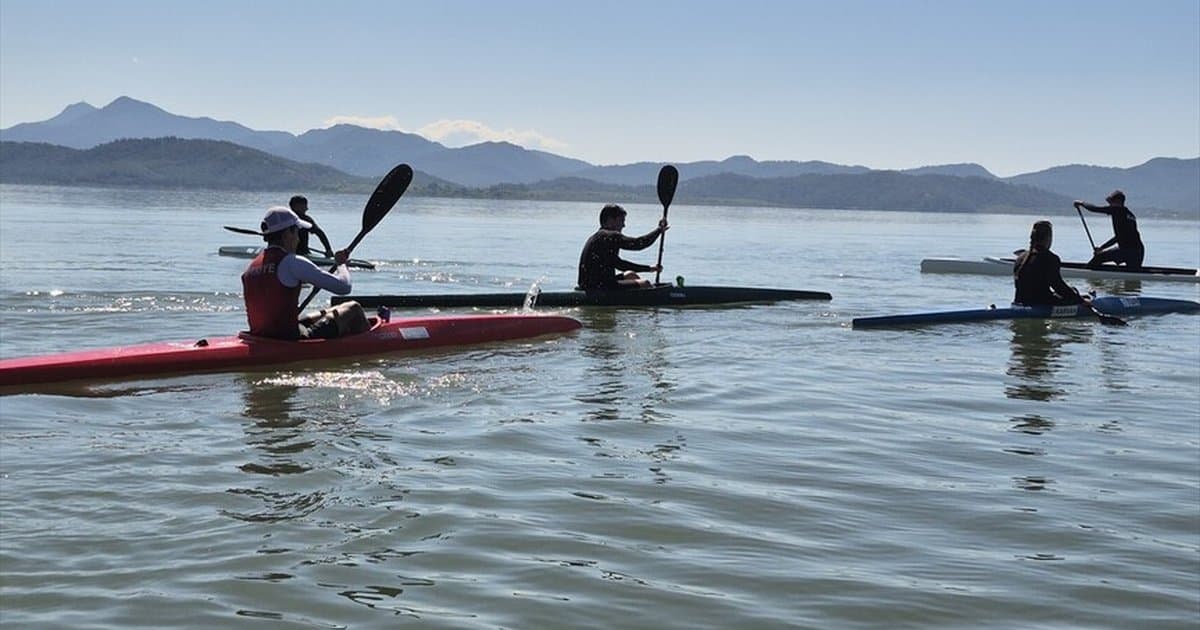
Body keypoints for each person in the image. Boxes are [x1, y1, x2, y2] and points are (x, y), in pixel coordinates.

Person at [241, 206, 369, 340]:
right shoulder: (292, 262)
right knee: (353, 308)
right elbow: (344, 287)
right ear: (287, 234)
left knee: (328, 311)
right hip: (288, 340)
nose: (298, 239)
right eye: (296, 233)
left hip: (260, 336)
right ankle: (369, 346)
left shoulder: (250, 268)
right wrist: (341, 264)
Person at [577, 203, 669, 291]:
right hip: (599, 287)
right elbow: (638, 244)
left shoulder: (599, 237)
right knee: (645, 283)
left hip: (590, 284)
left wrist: (649, 268)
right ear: (610, 220)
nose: (624, 225)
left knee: (630, 275)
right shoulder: (610, 236)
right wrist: (659, 230)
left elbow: (618, 263)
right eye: (621, 221)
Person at [1013, 220, 1087, 307]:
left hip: (1019, 302)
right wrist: (1080, 300)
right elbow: (1058, 286)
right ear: (1048, 238)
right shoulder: (1050, 258)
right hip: (1042, 304)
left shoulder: (1020, 257)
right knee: (1077, 294)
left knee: (1073, 292)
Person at [1074, 190, 1144, 269]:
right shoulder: (1130, 215)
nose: (1109, 204)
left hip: (1128, 251)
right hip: (1138, 251)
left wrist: (1081, 203)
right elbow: (1120, 236)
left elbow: (1094, 209)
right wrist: (1101, 248)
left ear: (1118, 202)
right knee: (1133, 276)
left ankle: (1087, 274)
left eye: (1111, 202)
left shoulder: (1117, 211)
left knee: (1098, 258)